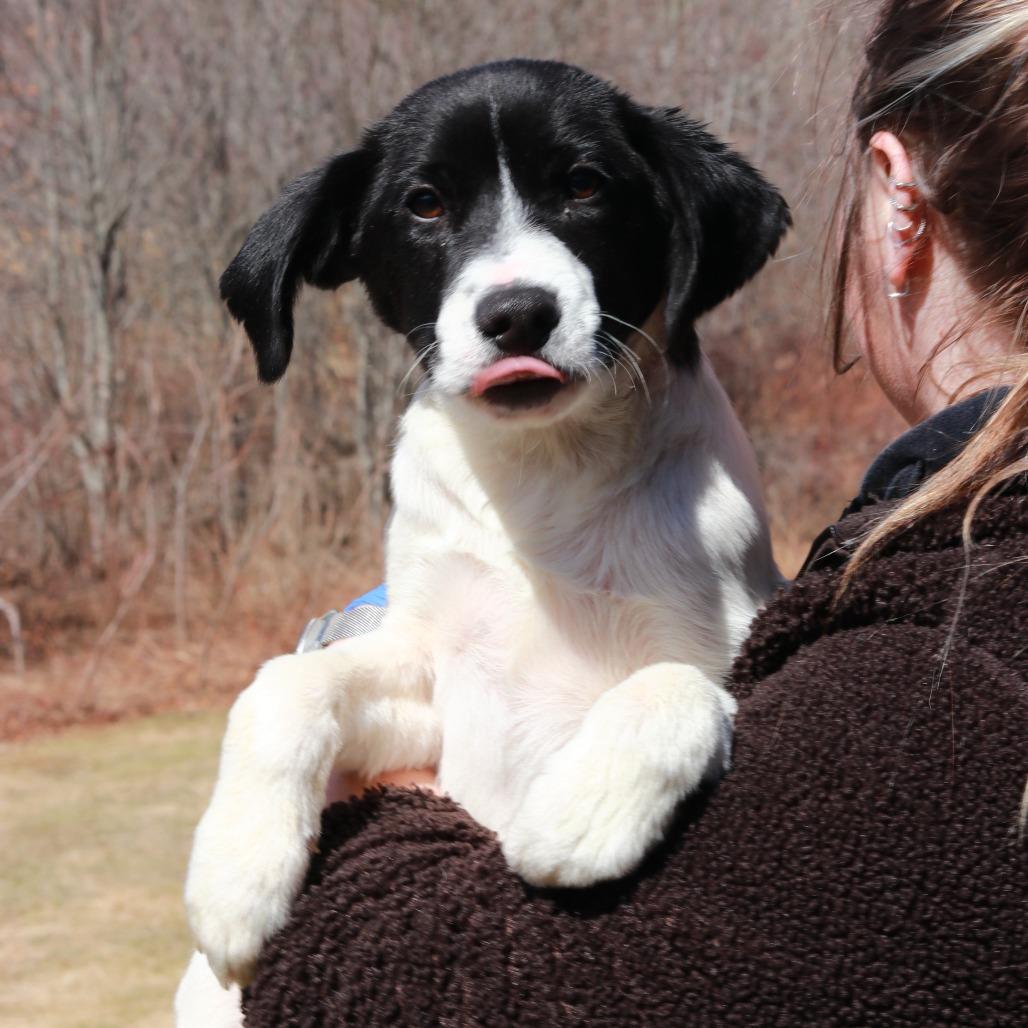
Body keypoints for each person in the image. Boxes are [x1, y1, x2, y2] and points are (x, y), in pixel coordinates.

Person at [240, 2, 1028, 1024]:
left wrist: (371, 809)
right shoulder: (918, 588)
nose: (511, 283)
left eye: (579, 188)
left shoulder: (930, 664)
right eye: (430, 208)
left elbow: (499, 988)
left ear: (895, 197)